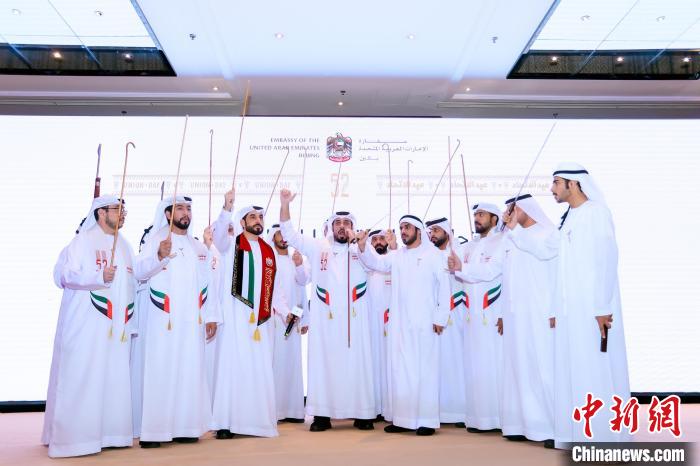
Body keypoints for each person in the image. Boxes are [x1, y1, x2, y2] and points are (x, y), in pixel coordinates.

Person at [505, 163, 630, 447]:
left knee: (594, 369)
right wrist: (514, 231)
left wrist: (602, 307)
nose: (552, 189)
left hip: (593, 310)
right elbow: (546, 251)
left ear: (573, 184)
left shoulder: (596, 213)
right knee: (573, 370)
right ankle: (575, 435)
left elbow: (607, 258)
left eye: (556, 183)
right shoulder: (569, 218)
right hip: (570, 311)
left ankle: (602, 437)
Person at [450, 194, 557, 447]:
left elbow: (543, 254)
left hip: (540, 313)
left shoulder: (548, 234)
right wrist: (461, 269)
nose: (508, 214)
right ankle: (521, 425)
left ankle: (551, 428)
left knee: (541, 368)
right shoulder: (509, 239)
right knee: (516, 370)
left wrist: (513, 231)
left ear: (527, 209)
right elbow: (492, 272)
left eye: (513, 209)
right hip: (513, 314)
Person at [42, 196, 136, 457]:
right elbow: (62, 275)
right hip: (85, 326)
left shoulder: (125, 245)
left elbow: (135, 279)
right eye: (117, 209)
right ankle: (74, 440)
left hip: (116, 329)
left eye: (124, 210)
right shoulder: (82, 241)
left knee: (112, 379)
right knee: (82, 378)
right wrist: (98, 277)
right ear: (101, 213)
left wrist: (160, 258)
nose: (123, 214)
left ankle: (111, 435)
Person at [279, 189, 376, 432]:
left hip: (355, 321)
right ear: (331, 227)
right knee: (324, 365)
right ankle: (322, 415)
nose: (342, 227)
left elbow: (376, 264)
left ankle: (362, 414)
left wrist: (361, 246)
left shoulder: (362, 248)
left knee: (357, 364)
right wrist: (285, 204)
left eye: (347, 223)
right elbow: (289, 234)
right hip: (325, 321)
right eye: (338, 223)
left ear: (353, 227)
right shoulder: (317, 247)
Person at [135, 196, 221, 448]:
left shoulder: (198, 247)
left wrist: (211, 316)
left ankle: (186, 428)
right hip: (164, 320)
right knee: (161, 370)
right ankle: (154, 432)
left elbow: (208, 283)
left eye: (188, 209)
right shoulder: (155, 240)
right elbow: (139, 273)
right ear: (167, 214)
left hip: (192, 322)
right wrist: (159, 256)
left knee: (189, 371)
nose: (186, 213)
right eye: (180, 208)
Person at [358, 215, 451, 436]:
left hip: (425, 323)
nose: (403, 231)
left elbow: (444, 287)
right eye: (401, 228)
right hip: (399, 324)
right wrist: (362, 246)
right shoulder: (397, 256)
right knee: (401, 371)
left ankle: (427, 421)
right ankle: (403, 419)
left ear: (418, 230)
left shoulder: (434, 255)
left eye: (407, 227)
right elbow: (376, 263)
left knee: (425, 371)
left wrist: (440, 317)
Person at [210, 193, 292, 438]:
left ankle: (257, 423)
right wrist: (226, 208)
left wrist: (285, 312)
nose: (258, 220)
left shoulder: (269, 251)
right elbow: (218, 238)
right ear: (242, 222)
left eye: (260, 217)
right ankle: (226, 424)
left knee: (259, 369)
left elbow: (275, 288)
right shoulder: (230, 245)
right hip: (235, 318)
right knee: (232, 368)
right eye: (253, 217)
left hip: (261, 321)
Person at [456, 203, 505, 433]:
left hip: (493, 314)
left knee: (493, 364)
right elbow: (460, 272)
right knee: (474, 365)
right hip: (471, 317)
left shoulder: (502, 241)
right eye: (475, 214)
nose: (477, 218)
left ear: (494, 219)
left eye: (482, 214)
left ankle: (498, 419)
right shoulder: (469, 246)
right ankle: (478, 418)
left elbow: (491, 271)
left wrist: (462, 267)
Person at [425, 217, 468, 427]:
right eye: (430, 231)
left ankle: (459, 412)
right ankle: (438, 411)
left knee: (455, 361)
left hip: (456, 314)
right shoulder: (428, 255)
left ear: (447, 233)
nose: (432, 235)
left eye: (436, 230)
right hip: (433, 316)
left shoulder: (459, 252)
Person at [267, 223, 310, 424]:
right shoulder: (269, 260)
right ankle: (275, 411)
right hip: (275, 318)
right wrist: (284, 312)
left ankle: (293, 410)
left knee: (293, 363)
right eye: (279, 234)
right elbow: (272, 291)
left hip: (295, 318)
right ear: (273, 236)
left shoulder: (296, 258)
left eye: (286, 234)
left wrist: (305, 318)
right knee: (276, 362)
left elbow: (302, 286)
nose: (283, 237)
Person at [365, 229, 396, 421]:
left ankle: (393, 409)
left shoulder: (396, 260)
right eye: (374, 239)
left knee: (392, 365)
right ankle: (374, 408)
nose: (378, 242)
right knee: (373, 365)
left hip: (393, 323)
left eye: (381, 239)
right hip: (371, 324)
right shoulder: (366, 265)